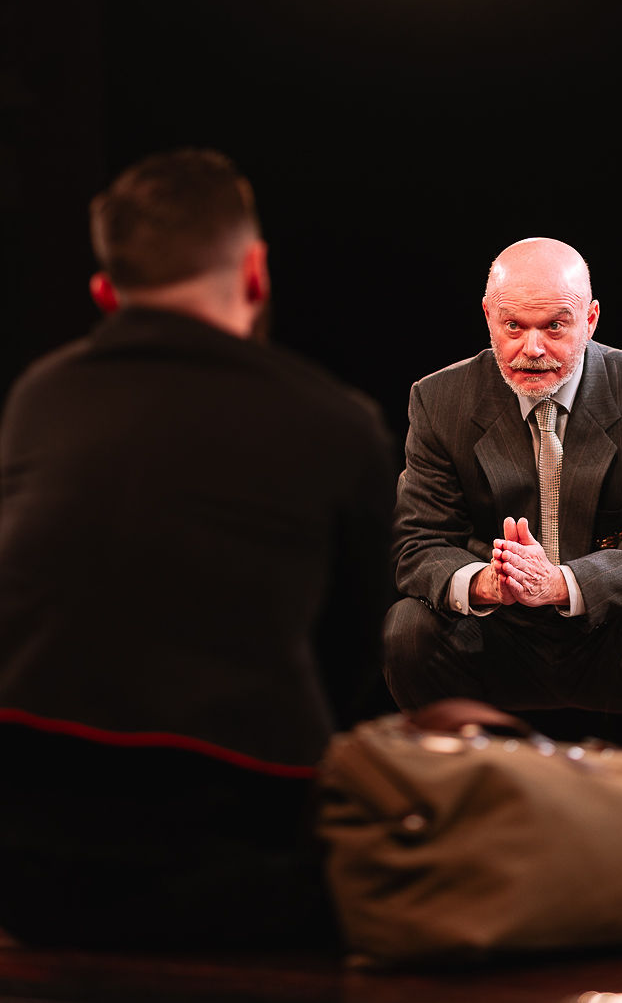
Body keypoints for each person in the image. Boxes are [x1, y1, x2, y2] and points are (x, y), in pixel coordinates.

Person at [0, 148, 396, 949]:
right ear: (255, 273)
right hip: (237, 849)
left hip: (23, 848)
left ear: (106, 294)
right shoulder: (338, 422)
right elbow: (358, 658)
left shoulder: (41, 395)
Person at [383, 236, 622, 758]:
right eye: (513, 326)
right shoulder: (439, 400)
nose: (532, 349)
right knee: (407, 625)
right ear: (488, 316)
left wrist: (559, 583)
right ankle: (464, 790)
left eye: (554, 326)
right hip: (495, 634)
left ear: (590, 320)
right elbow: (418, 545)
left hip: (606, 631)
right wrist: (485, 583)